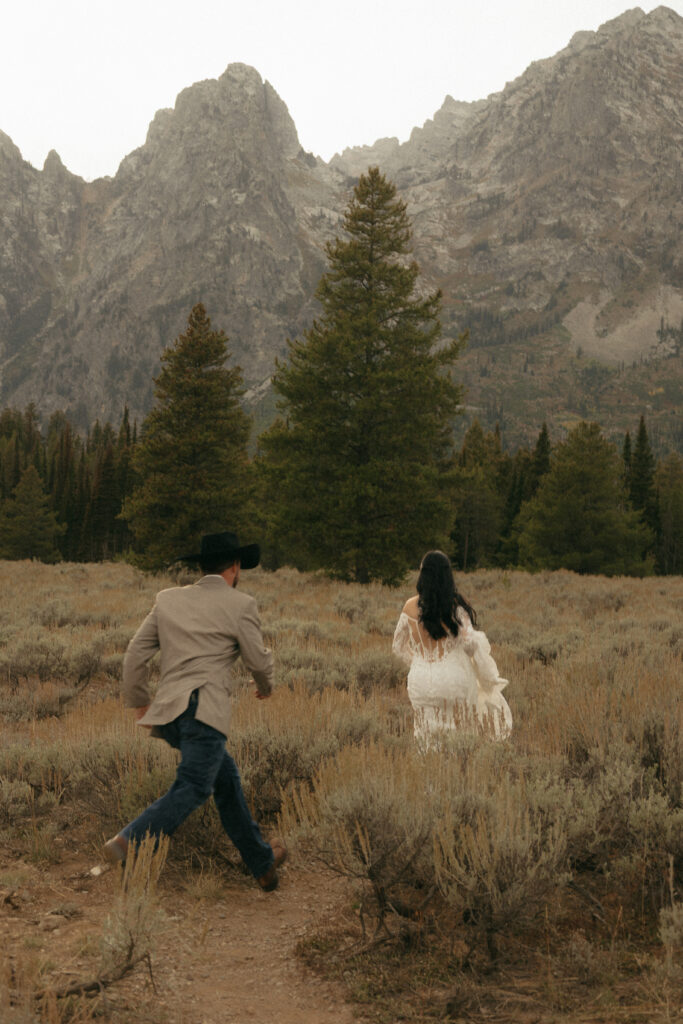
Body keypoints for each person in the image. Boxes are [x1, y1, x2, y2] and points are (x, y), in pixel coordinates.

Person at [103, 531, 287, 892]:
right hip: (204, 712)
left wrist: (140, 700)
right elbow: (257, 660)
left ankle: (263, 865)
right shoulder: (241, 604)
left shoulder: (167, 599)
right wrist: (265, 687)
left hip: (171, 715)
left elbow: (134, 655)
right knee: (193, 786)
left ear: (202, 567)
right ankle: (129, 839)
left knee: (225, 780)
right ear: (235, 567)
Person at [392, 550, 511, 746]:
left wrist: (418, 662)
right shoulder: (456, 606)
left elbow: (397, 647)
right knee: (458, 738)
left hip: (419, 681)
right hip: (452, 680)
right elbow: (471, 644)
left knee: (425, 735)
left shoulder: (409, 606)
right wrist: (485, 674)